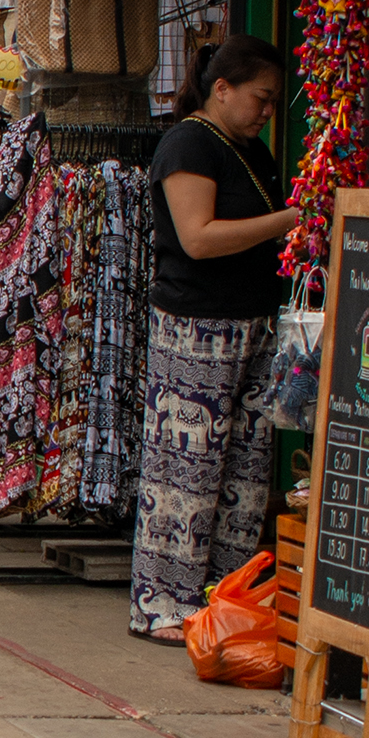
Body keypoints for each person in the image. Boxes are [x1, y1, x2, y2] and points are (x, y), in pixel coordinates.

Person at [128, 35, 298, 640]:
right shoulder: (189, 144)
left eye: (273, 102)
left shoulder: (252, 148)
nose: (266, 112)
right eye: (260, 98)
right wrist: (290, 220)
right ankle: (161, 604)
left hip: (253, 321)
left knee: (245, 474)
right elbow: (197, 237)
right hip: (197, 328)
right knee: (187, 469)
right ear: (221, 89)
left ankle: (223, 601)